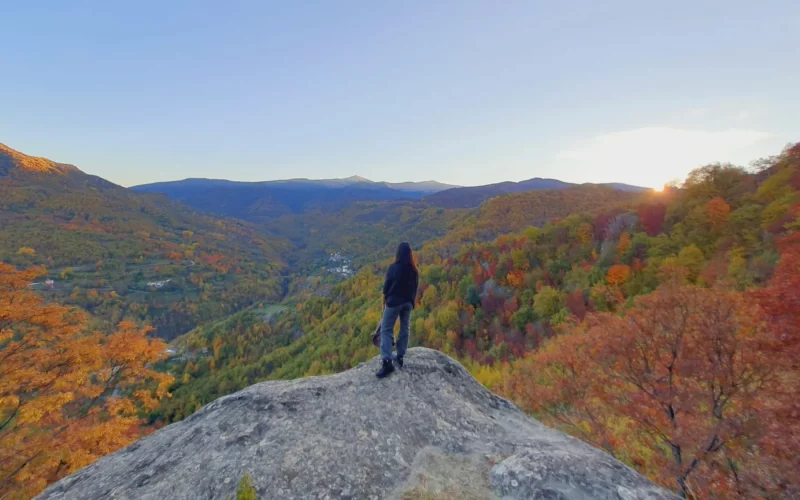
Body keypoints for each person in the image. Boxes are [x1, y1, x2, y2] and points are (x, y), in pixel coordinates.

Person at [376, 242, 419, 378]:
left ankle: (387, 361)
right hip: (408, 303)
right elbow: (414, 289)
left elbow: (386, 288)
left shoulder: (394, 268)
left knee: (386, 328)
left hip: (394, 302)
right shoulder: (414, 270)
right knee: (404, 327)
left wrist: (384, 304)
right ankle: (400, 356)